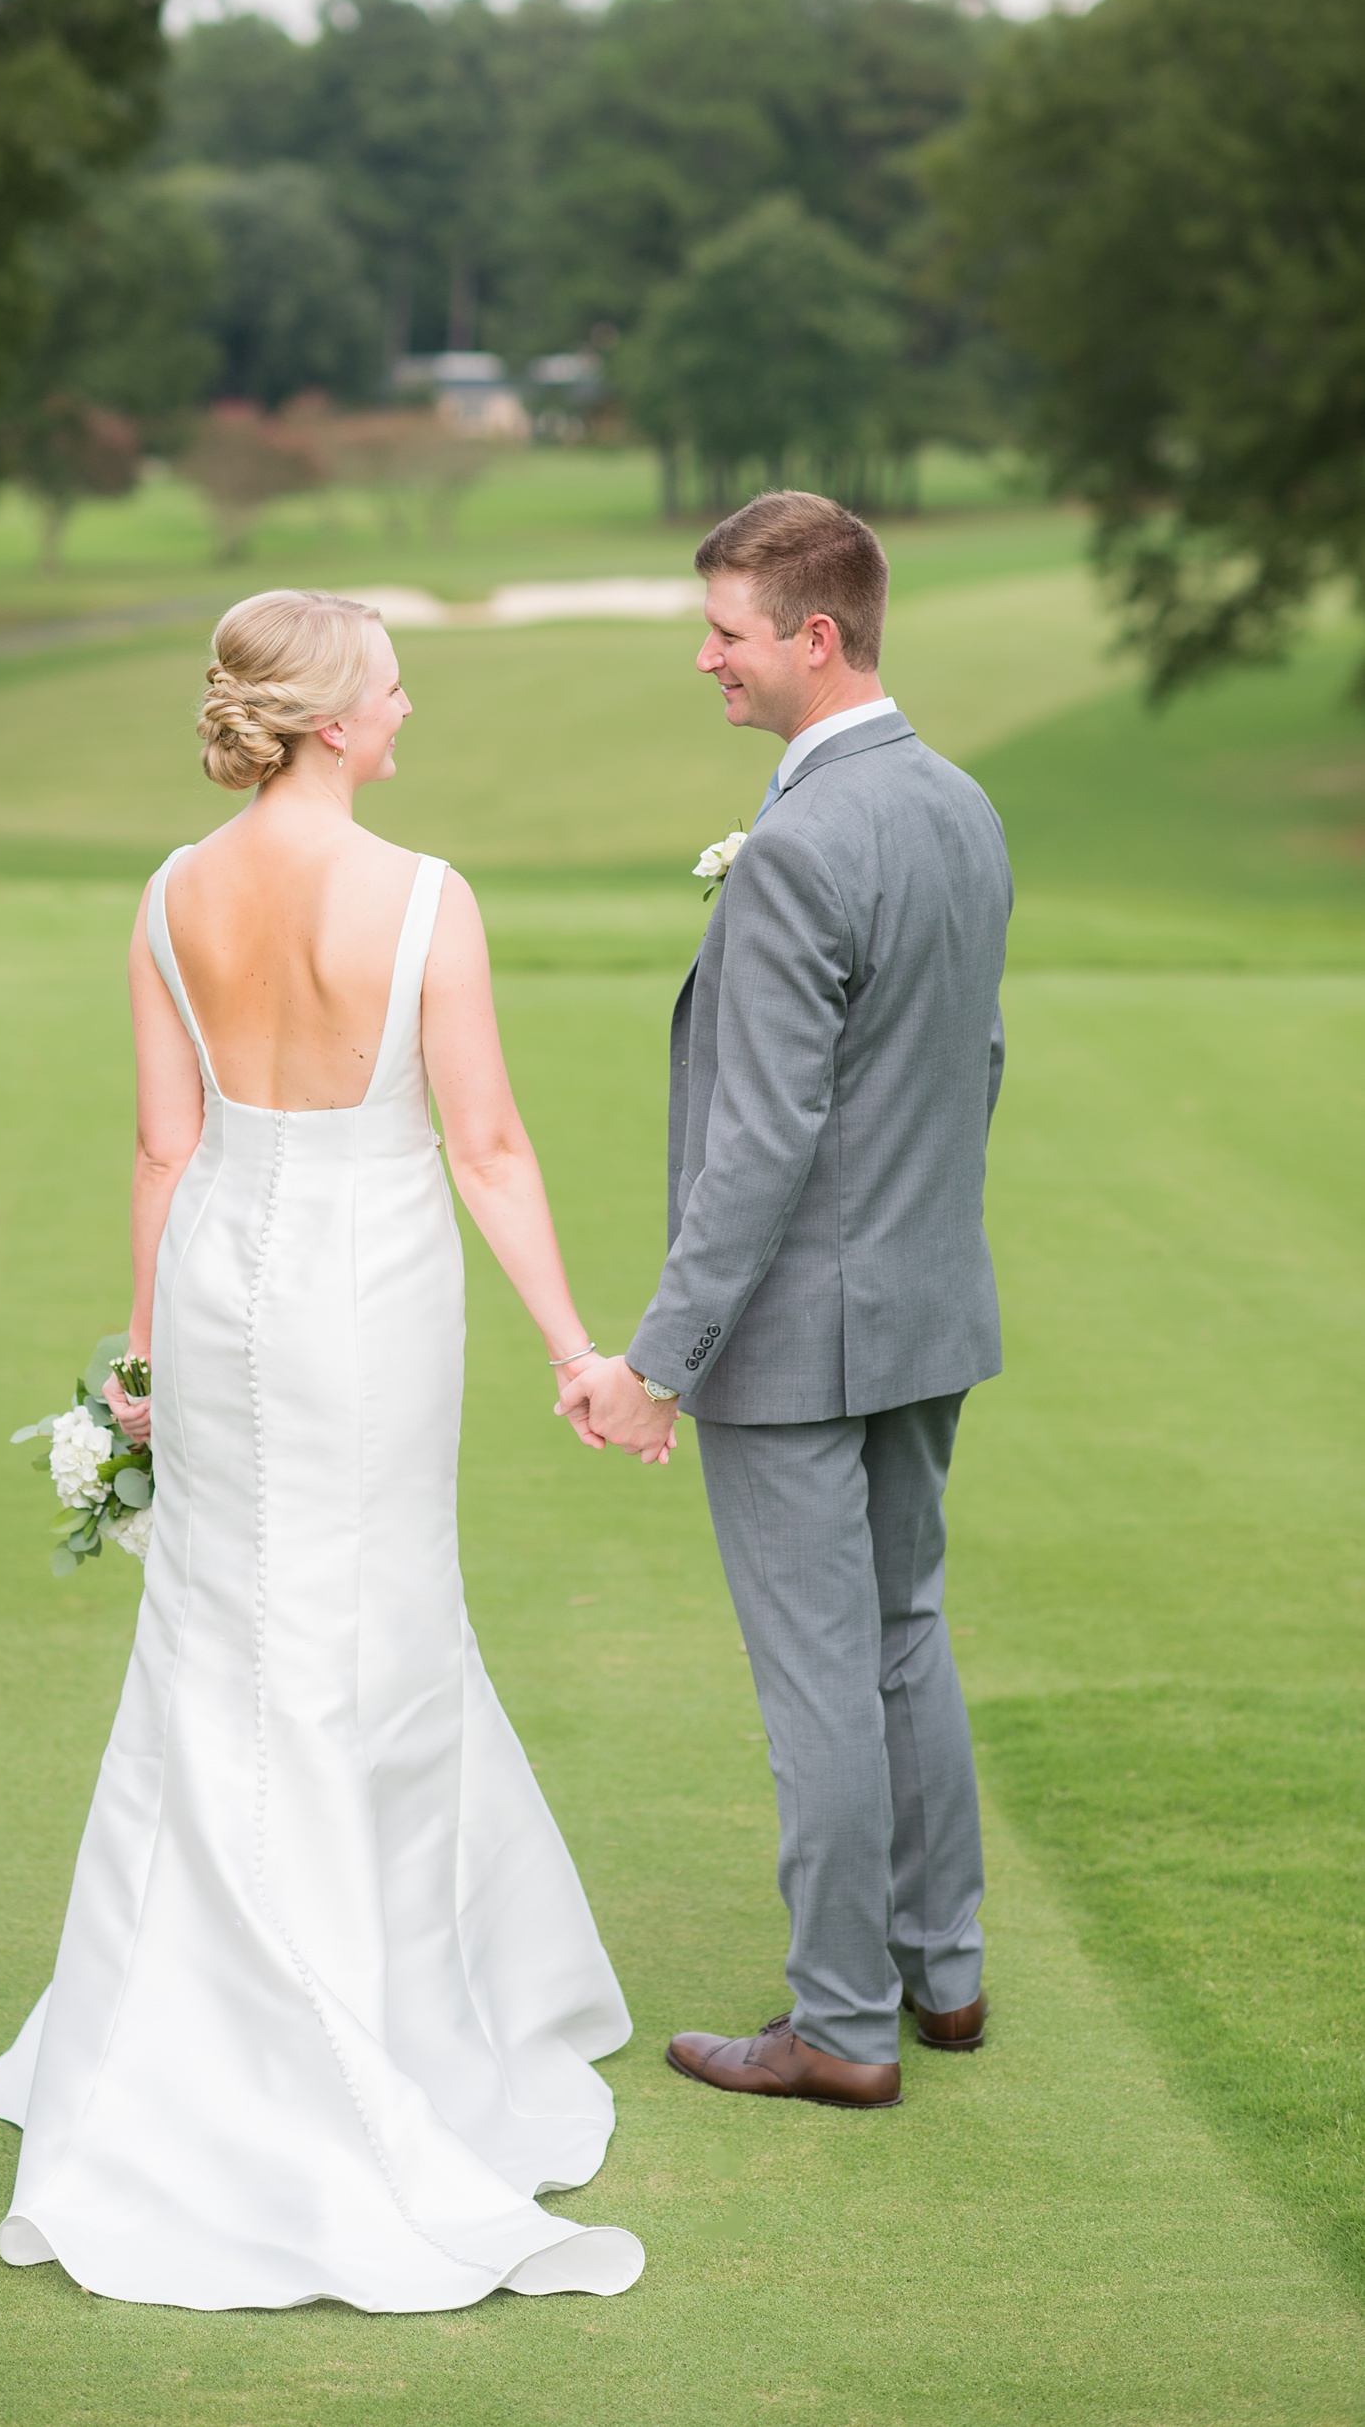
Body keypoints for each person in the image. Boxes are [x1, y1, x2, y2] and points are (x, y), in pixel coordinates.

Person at [0, 589, 645, 2309]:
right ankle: (366, 2034)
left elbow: (158, 1147)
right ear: (338, 718)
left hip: (218, 1279)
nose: (411, 708)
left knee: (220, 1630)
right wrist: (578, 1347)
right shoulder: (423, 897)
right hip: (370, 1289)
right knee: (373, 1626)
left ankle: (181, 2030)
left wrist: (138, 1352)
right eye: (397, 686)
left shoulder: (170, 892)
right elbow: (486, 1146)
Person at [559, 493, 1011, 2107]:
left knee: (822, 1669)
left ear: (816, 638)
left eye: (730, 633)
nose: (709, 659)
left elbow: (753, 1153)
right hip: (927, 1306)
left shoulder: (805, 843)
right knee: (904, 1638)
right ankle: (940, 1976)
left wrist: (653, 1365)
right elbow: (977, 1068)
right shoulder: (961, 806)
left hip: (802, 1340)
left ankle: (838, 2026)